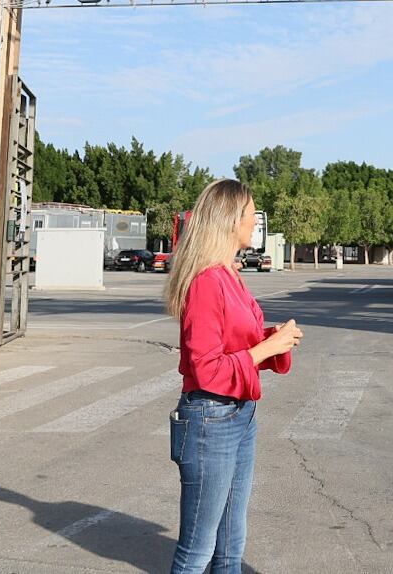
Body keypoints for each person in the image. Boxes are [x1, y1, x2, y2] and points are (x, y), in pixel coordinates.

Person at [162, 179, 302, 574]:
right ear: (230, 220)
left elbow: (232, 345)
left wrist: (271, 339)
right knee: (197, 550)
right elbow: (206, 367)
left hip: (238, 415)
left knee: (230, 543)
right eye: (252, 213)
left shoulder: (230, 274)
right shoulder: (207, 281)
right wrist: (265, 350)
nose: (256, 221)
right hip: (210, 419)